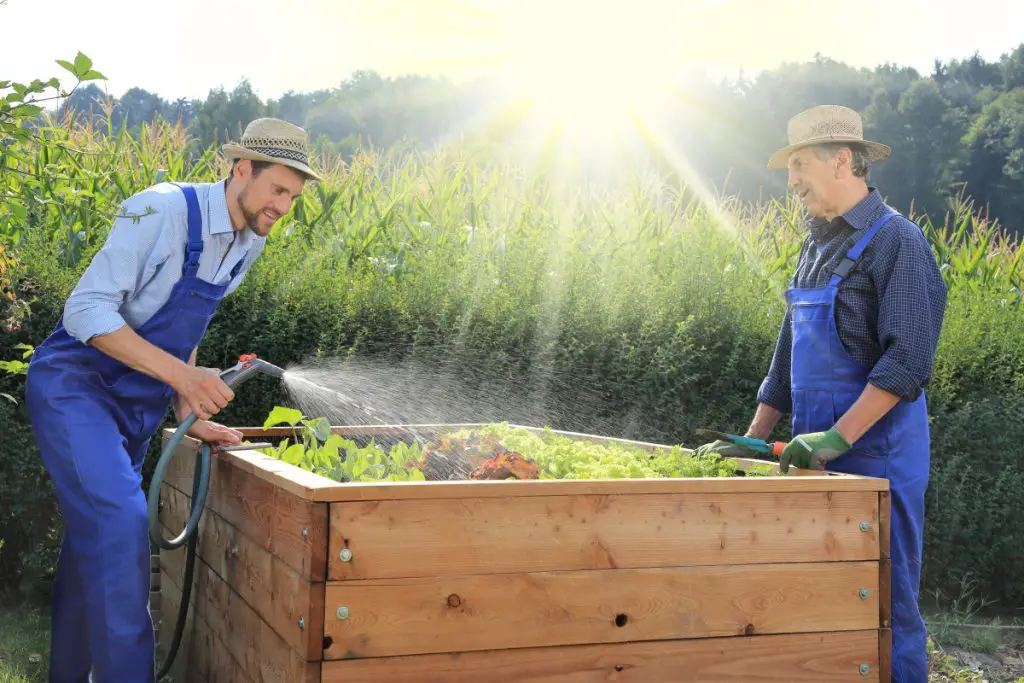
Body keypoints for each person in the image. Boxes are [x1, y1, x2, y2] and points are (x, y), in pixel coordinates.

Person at [24, 117, 320, 682]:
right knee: (120, 525)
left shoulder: (247, 242)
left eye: (294, 197)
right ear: (242, 170)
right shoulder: (160, 209)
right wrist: (182, 382)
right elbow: (85, 312)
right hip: (75, 387)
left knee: (96, 542)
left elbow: (183, 328)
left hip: (135, 405)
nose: (284, 206)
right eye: (278, 189)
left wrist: (186, 406)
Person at [695, 104, 947, 681]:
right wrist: (756, 442)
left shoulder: (898, 245)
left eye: (800, 165)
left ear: (842, 161)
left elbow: (908, 361)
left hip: (879, 461)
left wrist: (837, 436)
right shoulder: (816, 245)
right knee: (819, 603)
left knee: (885, 603)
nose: (792, 181)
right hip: (814, 459)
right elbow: (787, 358)